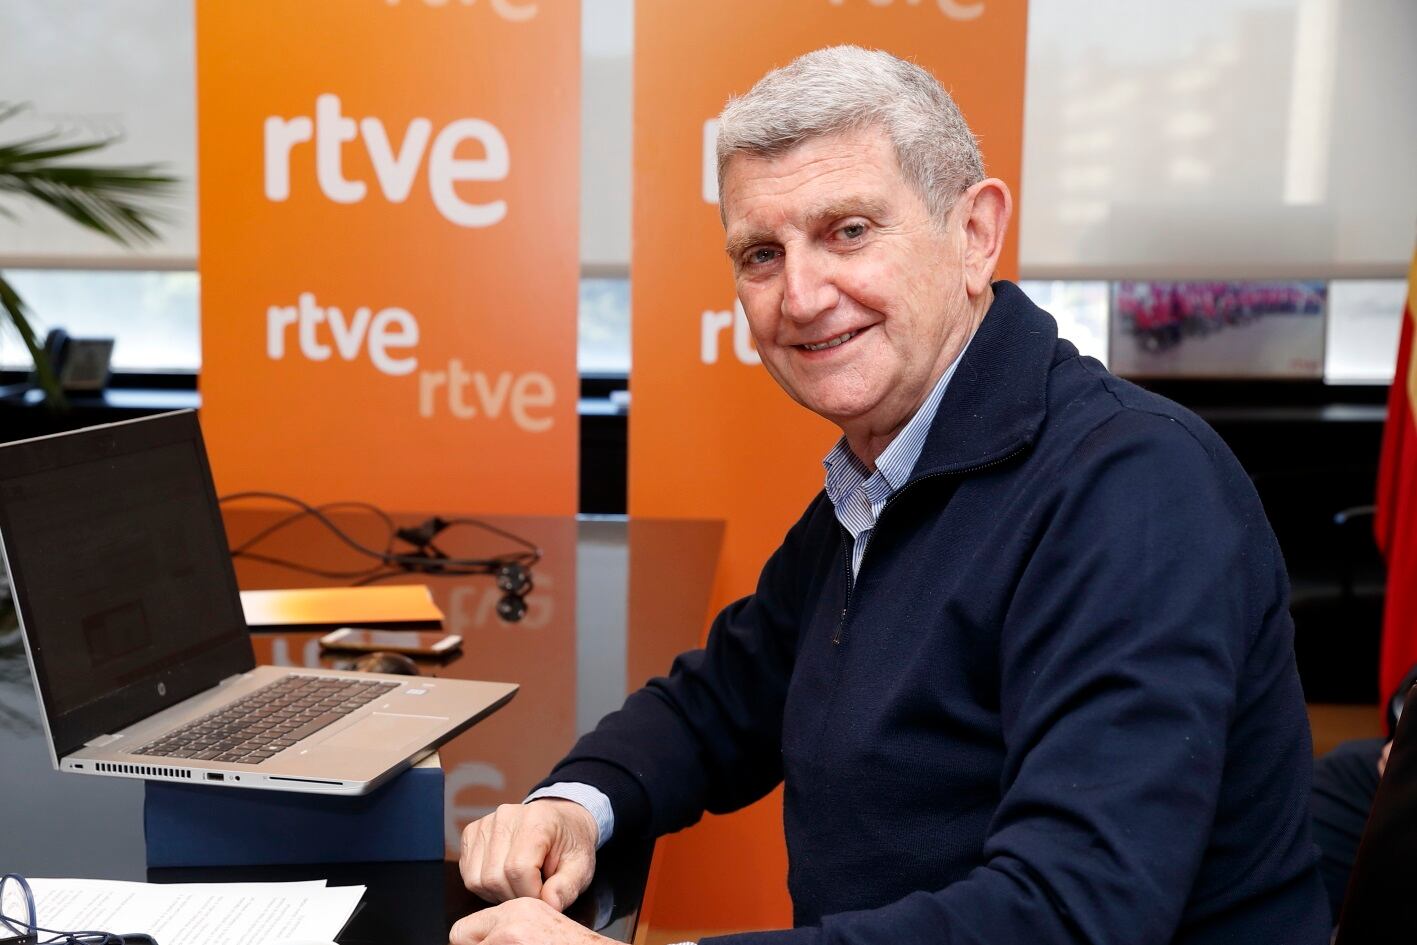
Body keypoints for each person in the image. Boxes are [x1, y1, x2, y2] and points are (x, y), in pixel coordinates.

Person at [450, 46, 1330, 945]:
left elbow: (1071, 913)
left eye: (848, 231)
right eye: (761, 253)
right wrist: (573, 804)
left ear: (974, 234)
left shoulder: (1136, 487)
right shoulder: (886, 470)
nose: (800, 296)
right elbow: (720, 702)